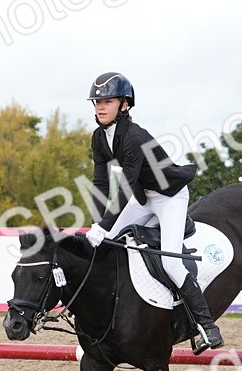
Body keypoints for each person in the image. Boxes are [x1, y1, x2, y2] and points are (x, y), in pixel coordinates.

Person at [81, 71, 223, 351]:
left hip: (169, 197)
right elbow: (100, 183)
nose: (100, 106)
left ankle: (207, 327)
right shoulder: (99, 137)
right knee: (107, 245)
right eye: (96, 101)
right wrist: (98, 224)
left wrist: (105, 224)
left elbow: (124, 187)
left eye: (107, 101)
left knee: (171, 263)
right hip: (142, 196)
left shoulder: (134, 137)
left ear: (124, 105)